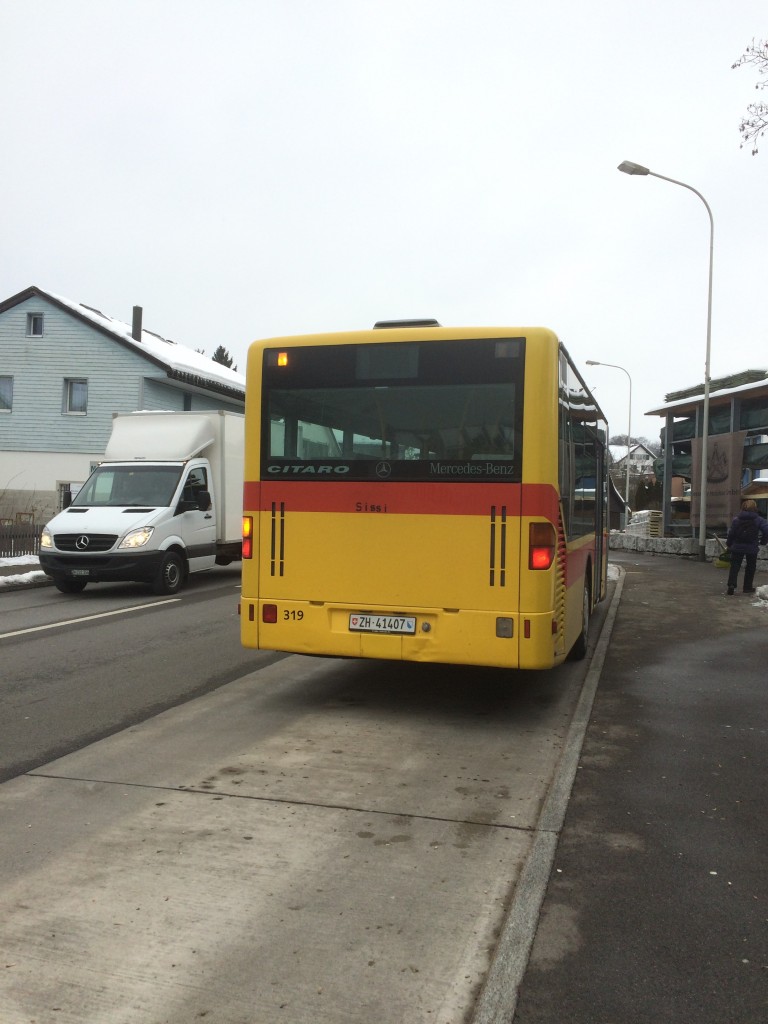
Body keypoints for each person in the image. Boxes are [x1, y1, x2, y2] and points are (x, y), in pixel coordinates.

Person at [725, 498, 768, 595]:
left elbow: (731, 533)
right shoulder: (759, 520)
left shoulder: (737, 519)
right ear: (755, 508)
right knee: (751, 567)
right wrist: (763, 542)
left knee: (735, 566)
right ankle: (747, 587)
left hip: (737, 546)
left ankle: (731, 585)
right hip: (752, 547)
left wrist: (729, 543)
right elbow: (766, 531)